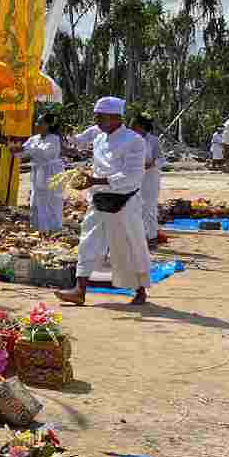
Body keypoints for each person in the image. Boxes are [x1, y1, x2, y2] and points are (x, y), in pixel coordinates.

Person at [55, 96, 151, 307]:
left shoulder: (135, 141)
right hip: (99, 198)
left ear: (115, 117)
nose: (96, 121)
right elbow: (84, 152)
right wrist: (84, 179)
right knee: (88, 241)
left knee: (129, 244)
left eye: (100, 117)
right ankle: (79, 290)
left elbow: (133, 176)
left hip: (125, 201)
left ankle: (140, 290)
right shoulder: (99, 138)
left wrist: (95, 180)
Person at [10, 113, 64, 233]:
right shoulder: (34, 138)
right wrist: (15, 150)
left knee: (51, 199)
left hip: (52, 172)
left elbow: (44, 153)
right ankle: (39, 227)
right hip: (38, 171)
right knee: (36, 198)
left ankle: (53, 228)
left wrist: (24, 149)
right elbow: (24, 153)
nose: (36, 125)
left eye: (40, 122)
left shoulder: (54, 139)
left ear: (48, 125)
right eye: (37, 122)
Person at [130, 113, 164, 248]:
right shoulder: (130, 139)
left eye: (134, 125)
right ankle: (139, 237)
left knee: (149, 207)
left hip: (150, 177)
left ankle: (151, 237)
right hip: (133, 177)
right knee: (135, 207)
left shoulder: (153, 140)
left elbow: (161, 159)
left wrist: (151, 164)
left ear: (141, 126)